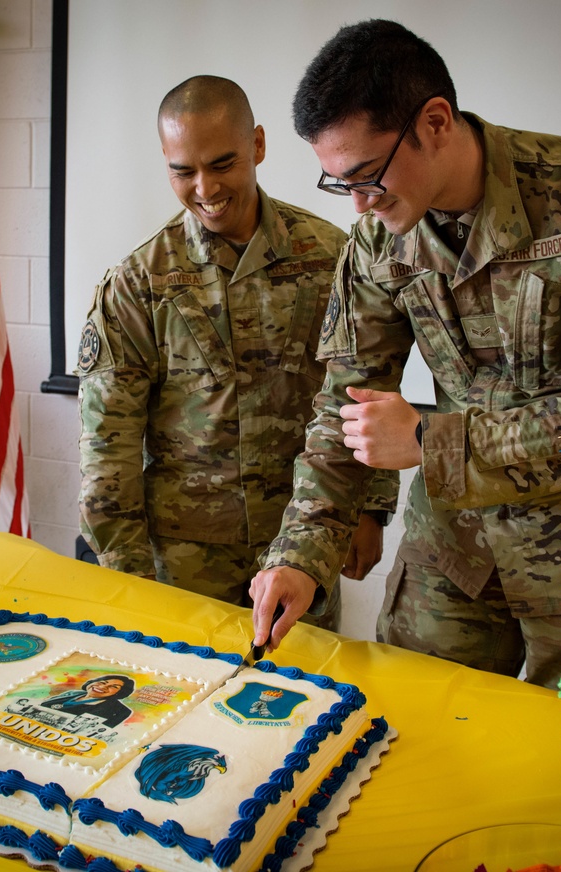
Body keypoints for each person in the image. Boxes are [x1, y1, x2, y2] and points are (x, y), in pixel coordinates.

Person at [250, 20, 561, 687]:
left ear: (436, 121)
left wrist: (430, 441)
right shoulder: (378, 240)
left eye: (367, 176)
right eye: (340, 184)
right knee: (407, 736)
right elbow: (344, 408)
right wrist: (301, 554)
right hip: (452, 557)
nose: (360, 205)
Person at [76, 76, 397, 631]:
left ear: (258, 146)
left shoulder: (330, 256)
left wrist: (370, 509)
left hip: (299, 548)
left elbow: (367, 385)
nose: (204, 187)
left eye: (222, 163)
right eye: (184, 170)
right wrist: (127, 584)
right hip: (181, 565)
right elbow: (109, 453)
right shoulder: (139, 283)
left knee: (304, 705)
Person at [41, 674, 135, 728]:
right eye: (102, 682)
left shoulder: (120, 711)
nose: (102, 687)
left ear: (121, 692)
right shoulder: (71, 693)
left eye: (114, 687)